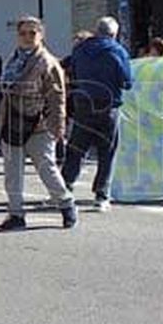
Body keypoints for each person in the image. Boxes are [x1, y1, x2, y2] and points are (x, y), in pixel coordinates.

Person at [0, 17, 77, 231]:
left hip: (38, 123)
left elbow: (58, 97)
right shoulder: (13, 59)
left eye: (32, 33)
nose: (27, 37)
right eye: (23, 33)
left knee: (46, 168)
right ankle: (15, 214)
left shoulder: (48, 62)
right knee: (12, 171)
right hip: (12, 120)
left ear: (41, 35)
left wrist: (58, 127)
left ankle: (66, 204)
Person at [61, 17, 133, 212]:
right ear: (114, 34)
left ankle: (64, 187)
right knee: (106, 152)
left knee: (76, 149)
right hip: (108, 106)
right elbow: (127, 81)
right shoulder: (117, 51)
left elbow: (72, 73)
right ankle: (101, 195)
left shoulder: (80, 50)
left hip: (83, 103)